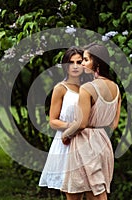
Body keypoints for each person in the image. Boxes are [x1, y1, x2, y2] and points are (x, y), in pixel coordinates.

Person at [60, 43, 122, 200]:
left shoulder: (87, 88)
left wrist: (66, 134)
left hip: (84, 144)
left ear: (97, 63)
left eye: (86, 60)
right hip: (103, 143)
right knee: (97, 190)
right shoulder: (116, 88)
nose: (82, 64)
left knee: (75, 193)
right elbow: (114, 124)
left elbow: (81, 123)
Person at [39, 46, 89, 190]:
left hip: (86, 140)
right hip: (65, 142)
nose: (75, 66)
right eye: (70, 62)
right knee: (71, 190)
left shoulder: (89, 87)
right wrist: (71, 126)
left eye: (79, 62)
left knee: (90, 187)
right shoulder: (61, 88)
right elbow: (53, 121)